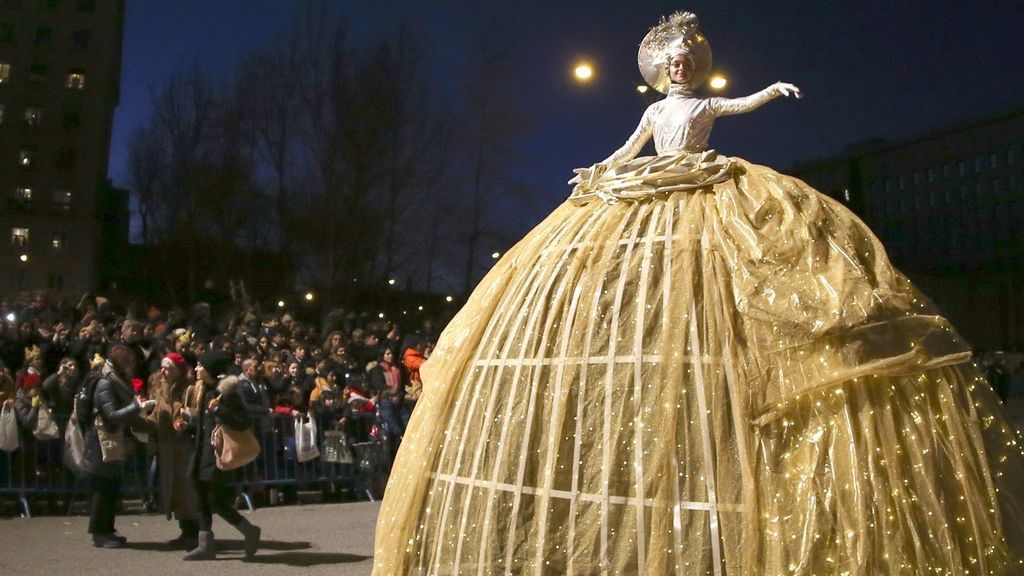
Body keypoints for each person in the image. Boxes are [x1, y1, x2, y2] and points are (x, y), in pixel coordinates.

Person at [372, 12, 1024, 575]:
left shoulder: (705, 105)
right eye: (672, 59)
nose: (681, 65)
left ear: (696, 64)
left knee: (726, 297)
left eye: (689, 57)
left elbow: (738, 106)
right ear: (660, 69)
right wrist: (602, 171)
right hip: (648, 190)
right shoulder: (657, 109)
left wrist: (770, 90)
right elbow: (630, 147)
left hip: (710, 189)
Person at [180, 350, 261, 561]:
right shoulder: (204, 390)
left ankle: (248, 530)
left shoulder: (227, 393)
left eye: (200, 366)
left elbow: (243, 421)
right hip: (200, 453)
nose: (196, 369)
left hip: (216, 454)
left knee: (213, 500)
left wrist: (219, 411)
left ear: (210, 369)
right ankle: (205, 545)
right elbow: (204, 424)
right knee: (200, 500)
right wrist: (186, 426)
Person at [81, 344, 155, 548]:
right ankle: (99, 533)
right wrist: (135, 407)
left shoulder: (116, 380)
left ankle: (107, 529)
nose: (132, 366)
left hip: (111, 441)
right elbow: (111, 415)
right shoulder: (105, 383)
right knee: (103, 490)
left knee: (111, 489)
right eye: (129, 362)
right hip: (101, 444)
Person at [137, 353, 199, 548]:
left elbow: (197, 413)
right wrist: (136, 420)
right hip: (166, 448)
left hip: (185, 447)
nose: (162, 371)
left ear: (177, 371)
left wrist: (186, 419)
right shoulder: (159, 391)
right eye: (162, 367)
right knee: (174, 489)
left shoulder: (189, 389)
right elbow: (155, 419)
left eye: (167, 368)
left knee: (188, 490)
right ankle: (185, 531)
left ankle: (195, 532)